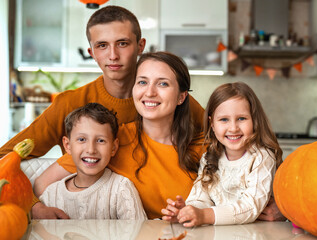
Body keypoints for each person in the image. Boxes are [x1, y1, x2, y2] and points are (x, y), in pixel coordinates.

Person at [0, 6, 204, 219]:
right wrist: (34, 206)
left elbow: (225, 142)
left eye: (123, 43)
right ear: (92, 53)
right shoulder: (70, 103)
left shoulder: (172, 102)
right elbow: (5, 158)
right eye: (102, 46)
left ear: (140, 46)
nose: (113, 55)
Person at [35, 52, 207, 219]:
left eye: (162, 84)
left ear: (181, 97)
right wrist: (37, 209)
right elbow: (42, 185)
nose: (149, 92)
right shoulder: (113, 141)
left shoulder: (202, 148)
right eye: (142, 82)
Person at [161, 82, 283, 227]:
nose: (233, 128)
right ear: (212, 124)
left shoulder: (261, 157)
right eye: (224, 119)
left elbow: (251, 207)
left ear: (254, 120)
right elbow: (201, 198)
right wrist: (187, 212)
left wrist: (205, 215)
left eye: (242, 118)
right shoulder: (208, 158)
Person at [38, 103, 147, 220]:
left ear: (114, 148)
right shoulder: (51, 194)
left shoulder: (120, 189)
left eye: (100, 140)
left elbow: (138, 233)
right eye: (81, 139)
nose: (91, 150)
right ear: (68, 145)